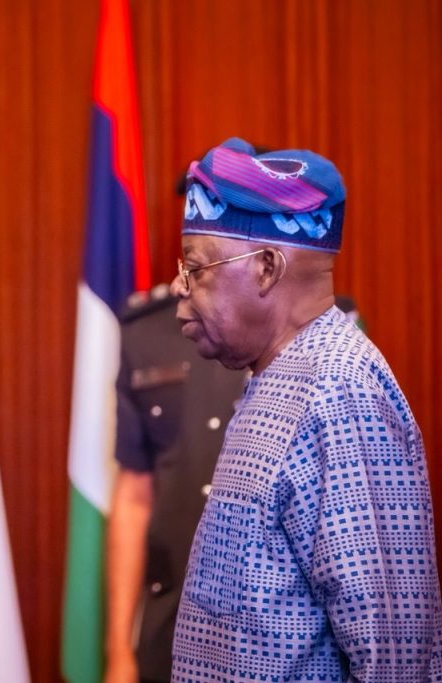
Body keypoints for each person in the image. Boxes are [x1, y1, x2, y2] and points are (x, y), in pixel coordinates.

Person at [168, 138, 442, 681]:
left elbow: (393, 654)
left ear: (267, 267)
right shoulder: (276, 374)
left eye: (196, 269)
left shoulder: (340, 393)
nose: (178, 285)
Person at [106, 284, 361, 683]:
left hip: (280, 637)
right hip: (168, 627)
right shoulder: (145, 331)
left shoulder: (317, 334)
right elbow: (133, 496)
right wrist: (119, 650)